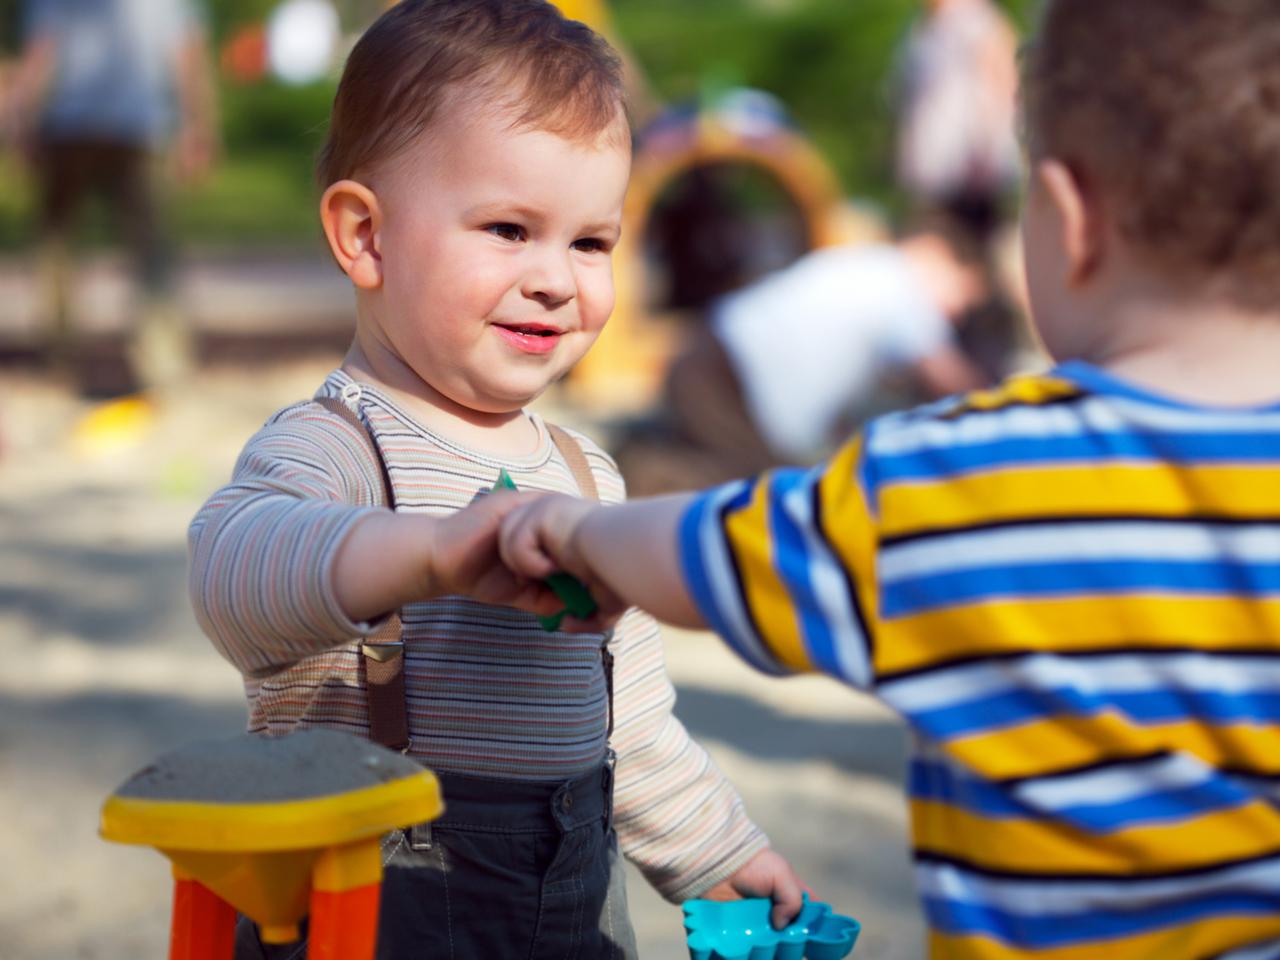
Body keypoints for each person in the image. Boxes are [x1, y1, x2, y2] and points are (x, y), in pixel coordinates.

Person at [496, 1, 1280, 956]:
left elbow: (711, 553)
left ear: (1072, 223)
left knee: (702, 472)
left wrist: (581, 534)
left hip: (720, 377)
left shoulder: (958, 481)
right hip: (729, 381)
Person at [187, 2, 801, 958]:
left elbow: (627, 719)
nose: (558, 278)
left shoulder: (583, 474)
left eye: (591, 242)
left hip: (571, 898)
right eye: (511, 229)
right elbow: (232, 574)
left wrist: (714, 850)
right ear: (367, 237)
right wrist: (429, 553)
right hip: (380, 900)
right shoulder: (341, 447)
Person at [618, 223, 990, 495]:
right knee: (743, 491)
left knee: (753, 484)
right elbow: (945, 375)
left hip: (720, 359)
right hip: (731, 377)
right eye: (962, 296)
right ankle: (628, 481)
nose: (955, 316)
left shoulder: (868, 268)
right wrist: (998, 406)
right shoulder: (902, 281)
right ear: (937, 253)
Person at [2, 0, 217, 394]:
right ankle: (163, 362)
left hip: (70, 123)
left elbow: (40, 52)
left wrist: (22, 122)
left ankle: (60, 357)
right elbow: (187, 55)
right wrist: (198, 124)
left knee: (57, 243)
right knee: (151, 252)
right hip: (138, 124)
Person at [894, 0, 1019, 240]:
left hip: (971, 169)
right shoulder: (926, 24)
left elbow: (1004, 81)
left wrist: (994, 144)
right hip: (938, 174)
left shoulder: (975, 18)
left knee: (972, 244)